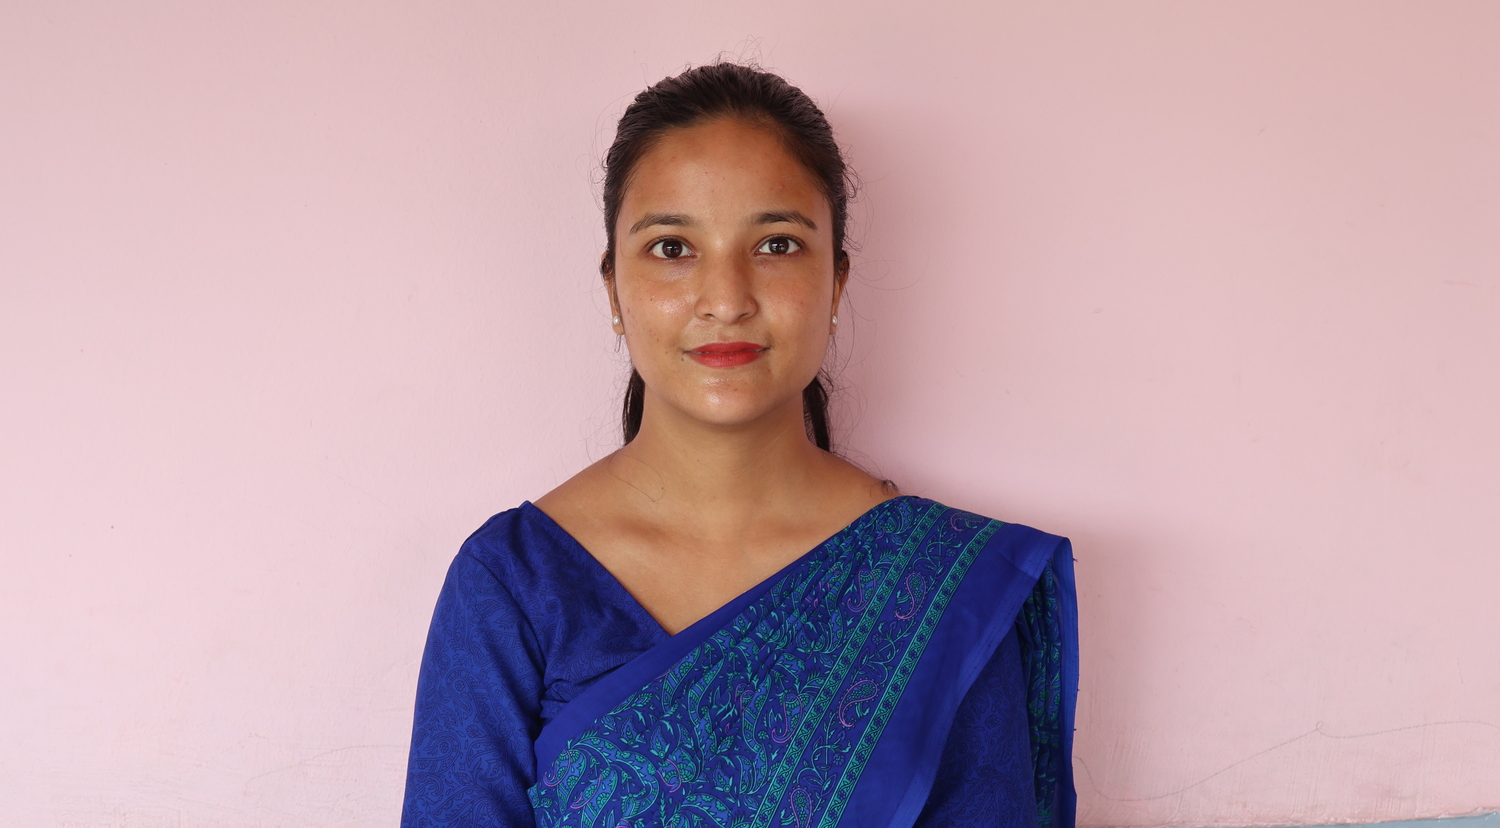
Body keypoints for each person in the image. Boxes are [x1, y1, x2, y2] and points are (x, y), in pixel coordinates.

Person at [400, 63, 1078, 828]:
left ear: (837, 282)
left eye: (776, 244)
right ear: (614, 288)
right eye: (672, 248)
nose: (725, 299)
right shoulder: (516, 583)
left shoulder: (940, 590)